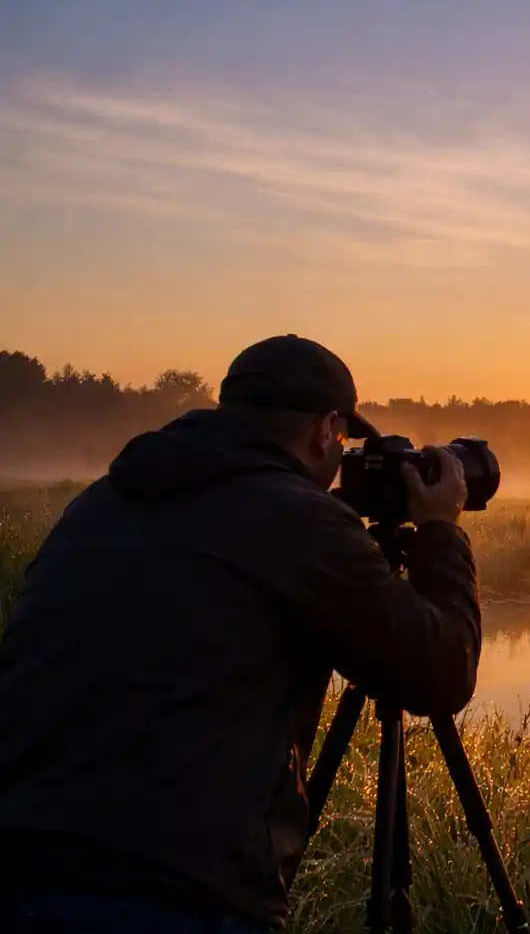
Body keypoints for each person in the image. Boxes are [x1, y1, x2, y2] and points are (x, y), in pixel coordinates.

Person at [0, 335, 482, 932]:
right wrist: (441, 533)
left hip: (22, 866)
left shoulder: (102, 502)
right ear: (326, 430)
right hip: (179, 894)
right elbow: (441, 671)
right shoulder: (298, 518)